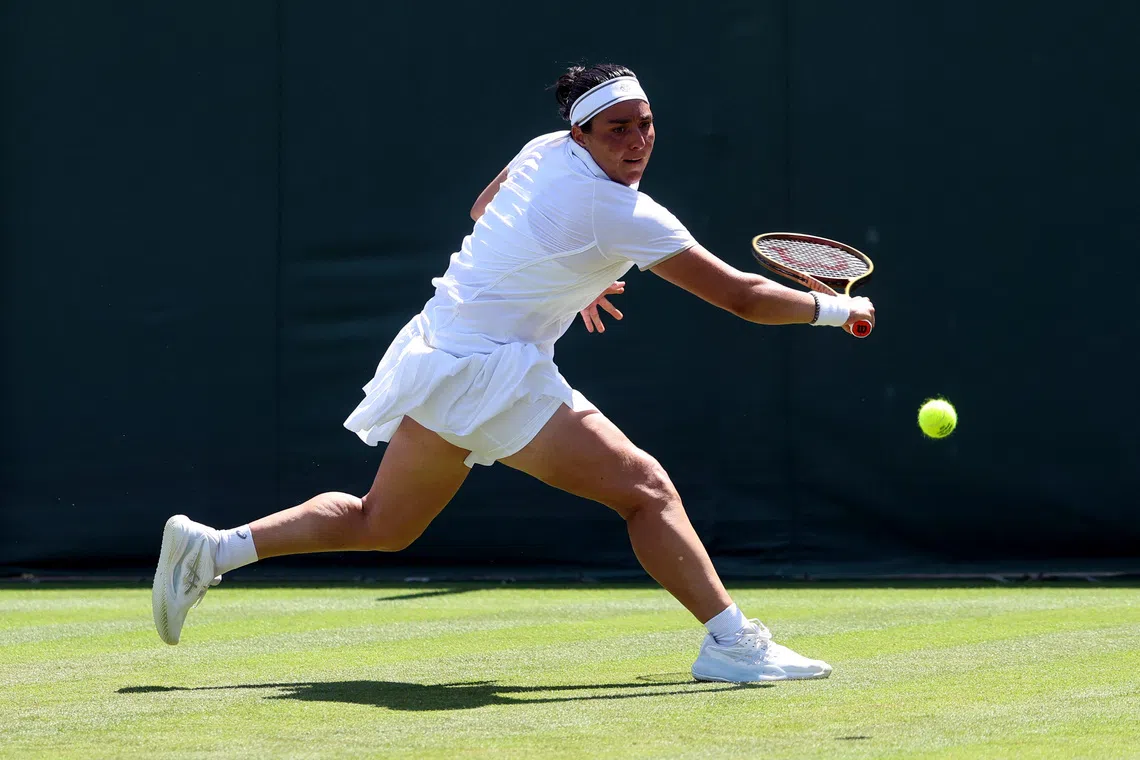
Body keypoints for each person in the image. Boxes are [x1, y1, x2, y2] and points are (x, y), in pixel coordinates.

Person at [152, 63, 875, 683]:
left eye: (646, 123)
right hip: (488, 371)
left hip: (442, 349)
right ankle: (732, 643)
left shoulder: (540, 151)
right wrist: (838, 311)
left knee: (385, 523)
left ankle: (214, 549)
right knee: (646, 490)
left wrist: (571, 273)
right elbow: (743, 297)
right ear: (581, 135)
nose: (637, 140)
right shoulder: (623, 214)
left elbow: (483, 209)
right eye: (617, 128)